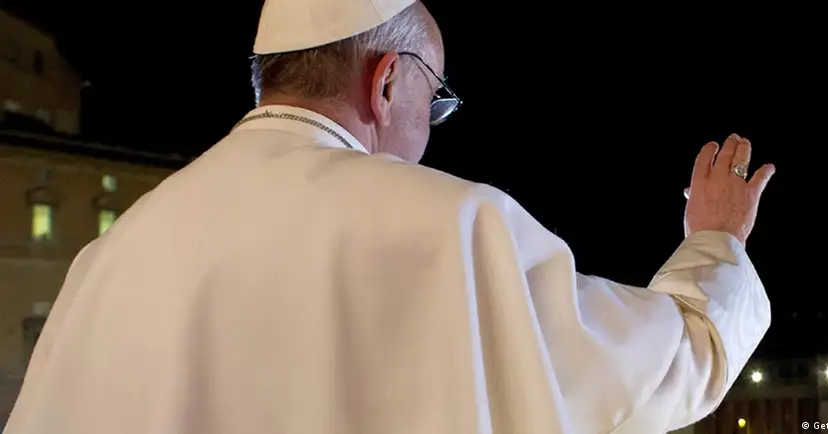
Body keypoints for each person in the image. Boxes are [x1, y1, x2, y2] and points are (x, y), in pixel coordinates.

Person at [3, 0, 776, 433]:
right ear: (385, 83)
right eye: (433, 100)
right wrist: (716, 239)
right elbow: (666, 367)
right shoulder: (456, 225)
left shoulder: (113, 254)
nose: (429, 128)